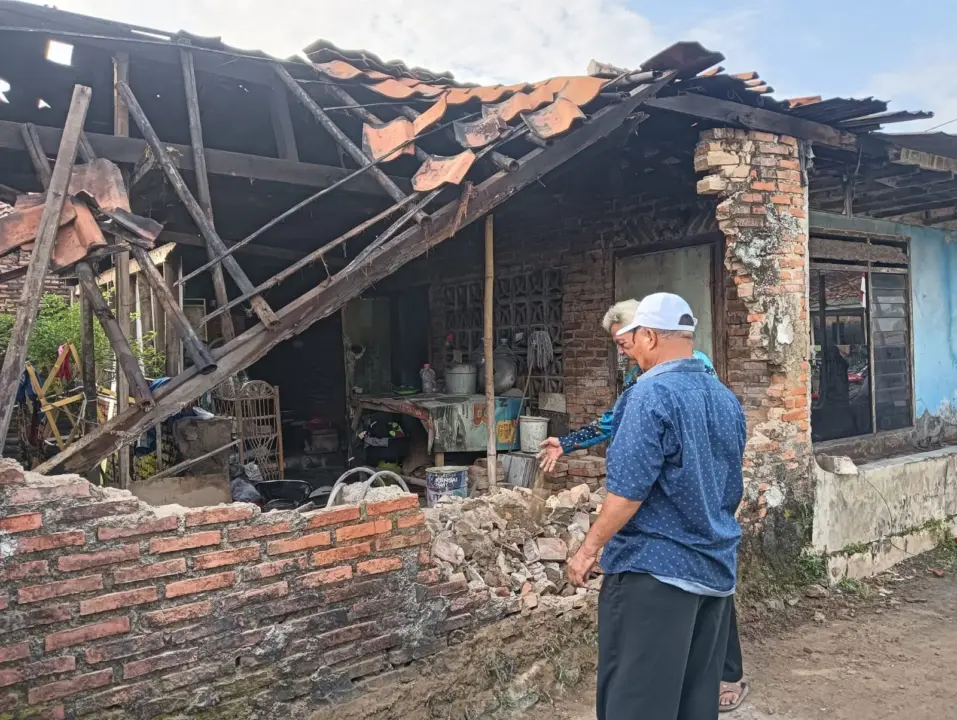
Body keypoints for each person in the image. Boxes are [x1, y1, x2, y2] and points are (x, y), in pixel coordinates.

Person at [538, 299, 750, 714]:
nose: (629, 351)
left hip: (656, 574)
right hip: (713, 571)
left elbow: (627, 494)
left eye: (630, 341)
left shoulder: (649, 394)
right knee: (693, 702)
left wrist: (587, 550)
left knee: (636, 703)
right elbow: (727, 483)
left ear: (649, 336)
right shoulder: (724, 397)